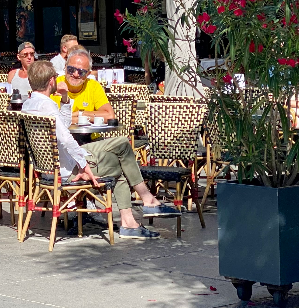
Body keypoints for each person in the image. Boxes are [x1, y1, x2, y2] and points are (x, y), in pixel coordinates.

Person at [23, 60, 181, 239]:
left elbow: (63, 127)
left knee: (121, 142)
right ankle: (139, 210)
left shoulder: (29, 104)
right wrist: (84, 166)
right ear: (52, 81)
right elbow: (66, 139)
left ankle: (143, 207)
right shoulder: (47, 106)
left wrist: (66, 99)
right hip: (67, 167)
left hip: (50, 166)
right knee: (120, 163)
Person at [55, 48, 114, 121]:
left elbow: (110, 116)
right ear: (65, 67)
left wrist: (80, 114)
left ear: (88, 74)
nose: (75, 74)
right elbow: (43, 117)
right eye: (71, 69)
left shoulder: (93, 86)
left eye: (81, 72)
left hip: (89, 132)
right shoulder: (54, 84)